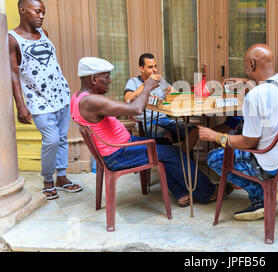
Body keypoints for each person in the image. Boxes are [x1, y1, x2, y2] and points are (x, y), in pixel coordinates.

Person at [71, 57, 232, 207]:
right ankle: (208, 192)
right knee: (172, 153)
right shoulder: (92, 100)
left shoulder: (78, 97)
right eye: (105, 77)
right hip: (118, 153)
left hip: (119, 147)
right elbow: (136, 109)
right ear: (93, 79)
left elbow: (112, 112)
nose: (109, 80)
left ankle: (182, 194)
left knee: (165, 144)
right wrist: (146, 87)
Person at [198, 44, 278, 221]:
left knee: (214, 157)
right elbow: (268, 95)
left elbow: (248, 143)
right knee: (240, 130)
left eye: (246, 62)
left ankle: (260, 196)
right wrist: (248, 83)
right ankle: (264, 191)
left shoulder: (254, 97)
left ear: (252, 64)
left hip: (269, 164)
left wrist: (214, 136)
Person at [8, 0, 82, 200]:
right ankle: (48, 180)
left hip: (61, 95)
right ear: (23, 10)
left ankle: (62, 177)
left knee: (62, 139)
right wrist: (20, 105)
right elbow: (13, 74)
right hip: (39, 101)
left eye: (43, 12)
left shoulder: (44, 33)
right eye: (37, 11)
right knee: (51, 140)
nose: (41, 16)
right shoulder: (12, 38)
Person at [124, 53, 198, 152]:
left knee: (195, 130)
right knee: (166, 136)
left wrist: (173, 92)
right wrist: (146, 85)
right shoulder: (133, 82)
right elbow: (127, 99)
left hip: (165, 120)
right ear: (141, 69)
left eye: (155, 66)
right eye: (150, 67)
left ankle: (181, 160)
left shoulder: (161, 81)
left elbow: (177, 98)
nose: (154, 70)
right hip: (147, 123)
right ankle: (176, 161)